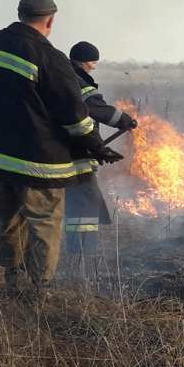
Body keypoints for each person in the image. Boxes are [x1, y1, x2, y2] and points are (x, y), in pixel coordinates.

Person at [0, 0, 121, 295]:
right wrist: (96, 145)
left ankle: (13, 280)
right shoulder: (49, 57)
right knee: (44, 221)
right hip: (35, 161)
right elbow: (73, 114)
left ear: (20, 13)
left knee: (7, 218)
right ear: (50, 20)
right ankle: (39, 290)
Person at [62, 41, 137, 247]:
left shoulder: (60, 74)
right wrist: (126, 120)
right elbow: (97, 108)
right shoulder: (76, 80)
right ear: (84, 62)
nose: (94, 68)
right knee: (84, 200)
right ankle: (82, 251)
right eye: (93, 63)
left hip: (60, 149)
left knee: (72, 198)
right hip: (73, 151)